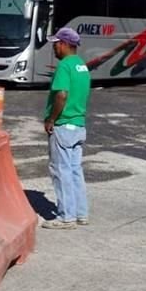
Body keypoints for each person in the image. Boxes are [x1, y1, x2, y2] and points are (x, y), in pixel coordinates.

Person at [42, 27, 91, 230]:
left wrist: (51, 119)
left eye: (56, 43)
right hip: (79, 126)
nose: (54, 47)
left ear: (63, 44)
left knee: (61, 172)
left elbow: (61, 94)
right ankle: (81, 213)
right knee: (74, 171)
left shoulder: (65, 66)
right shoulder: (82, 66)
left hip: (63, 126)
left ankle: (66, 217)